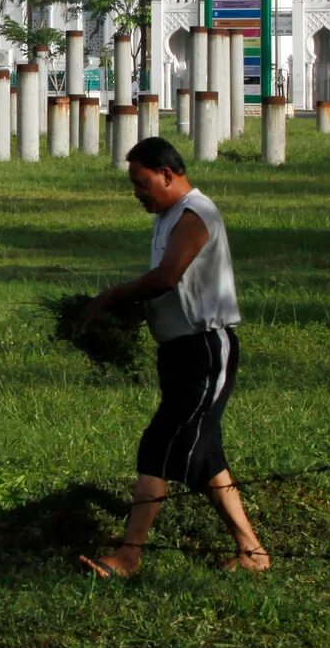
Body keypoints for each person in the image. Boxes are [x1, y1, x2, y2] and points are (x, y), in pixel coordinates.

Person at [84, 136, 268, 577]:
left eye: (143, 182)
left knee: (159, 445)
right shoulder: (168, 216)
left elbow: (168, 278)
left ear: (169, 174)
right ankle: (253, 552)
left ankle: (128, 557)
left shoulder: (194, 214)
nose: (137, 192)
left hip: (205, 349)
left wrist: (110, 298)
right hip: (178, 349)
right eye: (134, 184)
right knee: (203, 454)